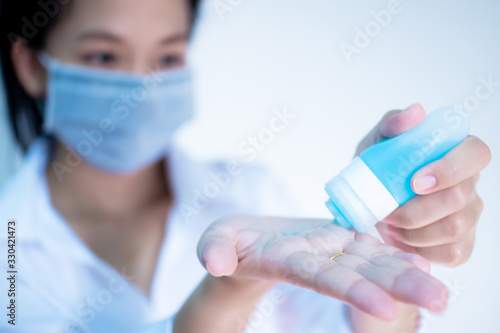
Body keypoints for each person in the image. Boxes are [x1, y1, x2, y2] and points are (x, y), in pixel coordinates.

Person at [0, 0, 491, 332]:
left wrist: (388, 233)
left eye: (167, 57)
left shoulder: (254, 199)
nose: (141, 85)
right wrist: (226, 293)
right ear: (31, 65)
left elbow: (355, 322)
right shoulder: (8, 252)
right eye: (105, 56)